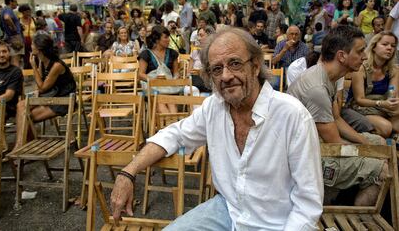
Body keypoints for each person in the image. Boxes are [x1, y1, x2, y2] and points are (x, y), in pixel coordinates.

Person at [111, 27, 323, 230]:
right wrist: (128, 172)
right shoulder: (215, 107)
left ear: (256, 65)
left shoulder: (293, 116)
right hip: (228, 210)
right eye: (217, 69)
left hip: (274, 222)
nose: (226, 76)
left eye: (235, 63)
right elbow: (175, 134)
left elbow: (307, 204)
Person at [288, 25, 387, 206]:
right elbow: (336, 144)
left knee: (378, 142)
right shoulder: (316, 88)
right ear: (341, 56)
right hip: (308, 158)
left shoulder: (329, 76)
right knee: (381, 168)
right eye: (359, 51)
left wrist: (367, 144)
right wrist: (371, 154)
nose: (365, 56)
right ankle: (361, 221)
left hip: (318, 144)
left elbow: (336, 119)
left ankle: (331, 201)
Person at [14, 33, 76, 151]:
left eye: (32, 44)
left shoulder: (56, 65)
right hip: (49, 97)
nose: (30, 46)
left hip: (62, 101)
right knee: (21, 107)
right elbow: (41, 83)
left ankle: (23, 146)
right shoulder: (43, 61)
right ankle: (25, 145)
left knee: (25, 116)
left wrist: (33, 66)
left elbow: (42, 87)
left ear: (39, 48)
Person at [346, 31, 399, 138]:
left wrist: (393, 102)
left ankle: (391, 140)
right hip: (360, 107)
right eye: (385, 44)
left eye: (393, 46)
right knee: (386, 127)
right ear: (374, 47)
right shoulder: (361, 68)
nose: (389, 48)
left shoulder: (394, 70)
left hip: (383, 107)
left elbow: (392, 94)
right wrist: (381, 103)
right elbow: (359, 99)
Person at [138, 25, 180, 113]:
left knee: (172, 104)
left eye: (168, 37)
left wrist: (174, 79)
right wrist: (154, 80)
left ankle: (169, 125)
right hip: (153, 87)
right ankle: (169, 125)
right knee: (160, 103)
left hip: (168, 87)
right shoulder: (146, 54)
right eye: (166, 37)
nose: (168, 39)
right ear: (157, 39)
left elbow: (176, 72)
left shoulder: (173, 53)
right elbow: (141, 74)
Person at [0, 41, 23, 119]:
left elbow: (8, 96)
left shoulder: (15, 71)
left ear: (9, 53)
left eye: (4, 51)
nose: (2, 55)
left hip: (3, 106)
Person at [188, 26, 214, 93]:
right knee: (192, 89)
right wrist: (191, 72)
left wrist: (201, 72)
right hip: (195, 81)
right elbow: (188, 72)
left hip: (209, 82)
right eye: (198, 36)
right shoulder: (195, 51)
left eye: (201, 35)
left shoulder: (214, 52)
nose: (199, 38)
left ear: (209, 36)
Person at [0, 0, 22, 67]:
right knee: (15, 59)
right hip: (14, 37)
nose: (17, 3)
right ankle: (16, 76)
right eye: (15, 1)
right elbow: (7, 18)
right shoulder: (8, 9)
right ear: (10, 2)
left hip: (10, 37)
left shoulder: (5, 9)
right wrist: (14, 27)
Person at [18, 4, 36, 69]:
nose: (28, 13)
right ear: (22, 12)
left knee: (35, 56)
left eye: (29, 11)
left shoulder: (33, 19)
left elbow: (36, 29)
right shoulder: (18, 20)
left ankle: (36, 70)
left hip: (33, 41)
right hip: (23, 42)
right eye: (26, 11)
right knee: (26, 58)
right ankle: (28, 72)